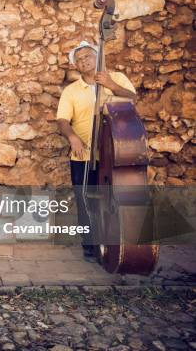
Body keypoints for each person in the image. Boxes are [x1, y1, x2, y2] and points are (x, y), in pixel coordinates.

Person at [56, 41, 137, 261]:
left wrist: (111, 84)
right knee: (86, 201)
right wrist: (73, 137)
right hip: (83, 155)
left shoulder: (117, 78)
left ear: (97, 56)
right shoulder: (71, 91)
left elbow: (133, 101)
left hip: (115, 153)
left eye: (88, 56)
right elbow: (62, 120)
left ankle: (117, 243)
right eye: (79, 60)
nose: (84, 61)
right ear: (76, 66)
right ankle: (90, 245)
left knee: (114, 200)